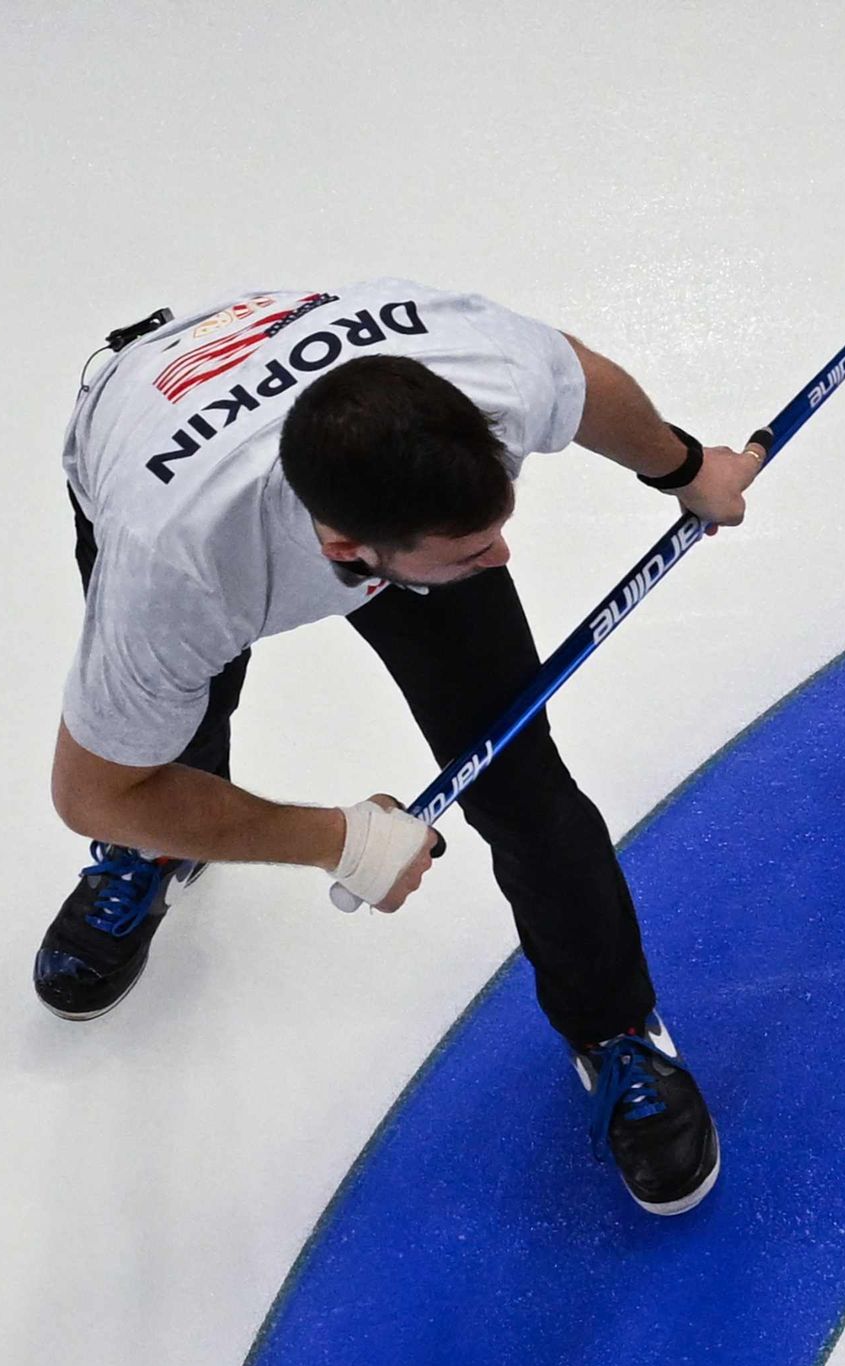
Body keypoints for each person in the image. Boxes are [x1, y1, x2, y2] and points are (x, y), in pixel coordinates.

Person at [44, 281, 761, 1214]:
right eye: (472, 552)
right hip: (152, 432)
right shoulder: (177, 574)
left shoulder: (480, 378)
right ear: (349, 551)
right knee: (163, 745)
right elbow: (93, 789)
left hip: (322, 438)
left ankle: (615, 1029)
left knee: (526, 789)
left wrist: (685, 468)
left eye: (498, 529)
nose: (500, 560)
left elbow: (579, 380)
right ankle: (160, 849)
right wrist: (339, 840)